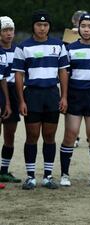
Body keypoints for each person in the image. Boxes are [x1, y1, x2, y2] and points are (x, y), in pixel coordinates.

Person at [13, 9, 69, 190]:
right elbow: (19, 76)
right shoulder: (23, 47)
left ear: (49, 27)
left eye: (45, 25)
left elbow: (63, 72)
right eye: (39, 25)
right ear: (33, 26)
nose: (42, 28)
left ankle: (48, 175)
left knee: (49, 136)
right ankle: (30, 176)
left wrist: (64, 96)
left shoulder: (58, 45)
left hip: (52, 94)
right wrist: (21, 100)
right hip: (32, 95)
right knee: (32, 136)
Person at [58, 13, 90, 187]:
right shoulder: (69, 48)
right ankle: (64, 174)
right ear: (78, 28)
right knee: (70, 134)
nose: (86, 30)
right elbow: (65, 74)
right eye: (83, 26)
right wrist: (64, 96)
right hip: (74, 95)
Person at [0, 16, 20, 185]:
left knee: (10, 134)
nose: (8, 33)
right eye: (5, 30)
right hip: (2, 90)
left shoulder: (18, 50)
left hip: (13, 93)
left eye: (10, 30)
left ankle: (4, 171)